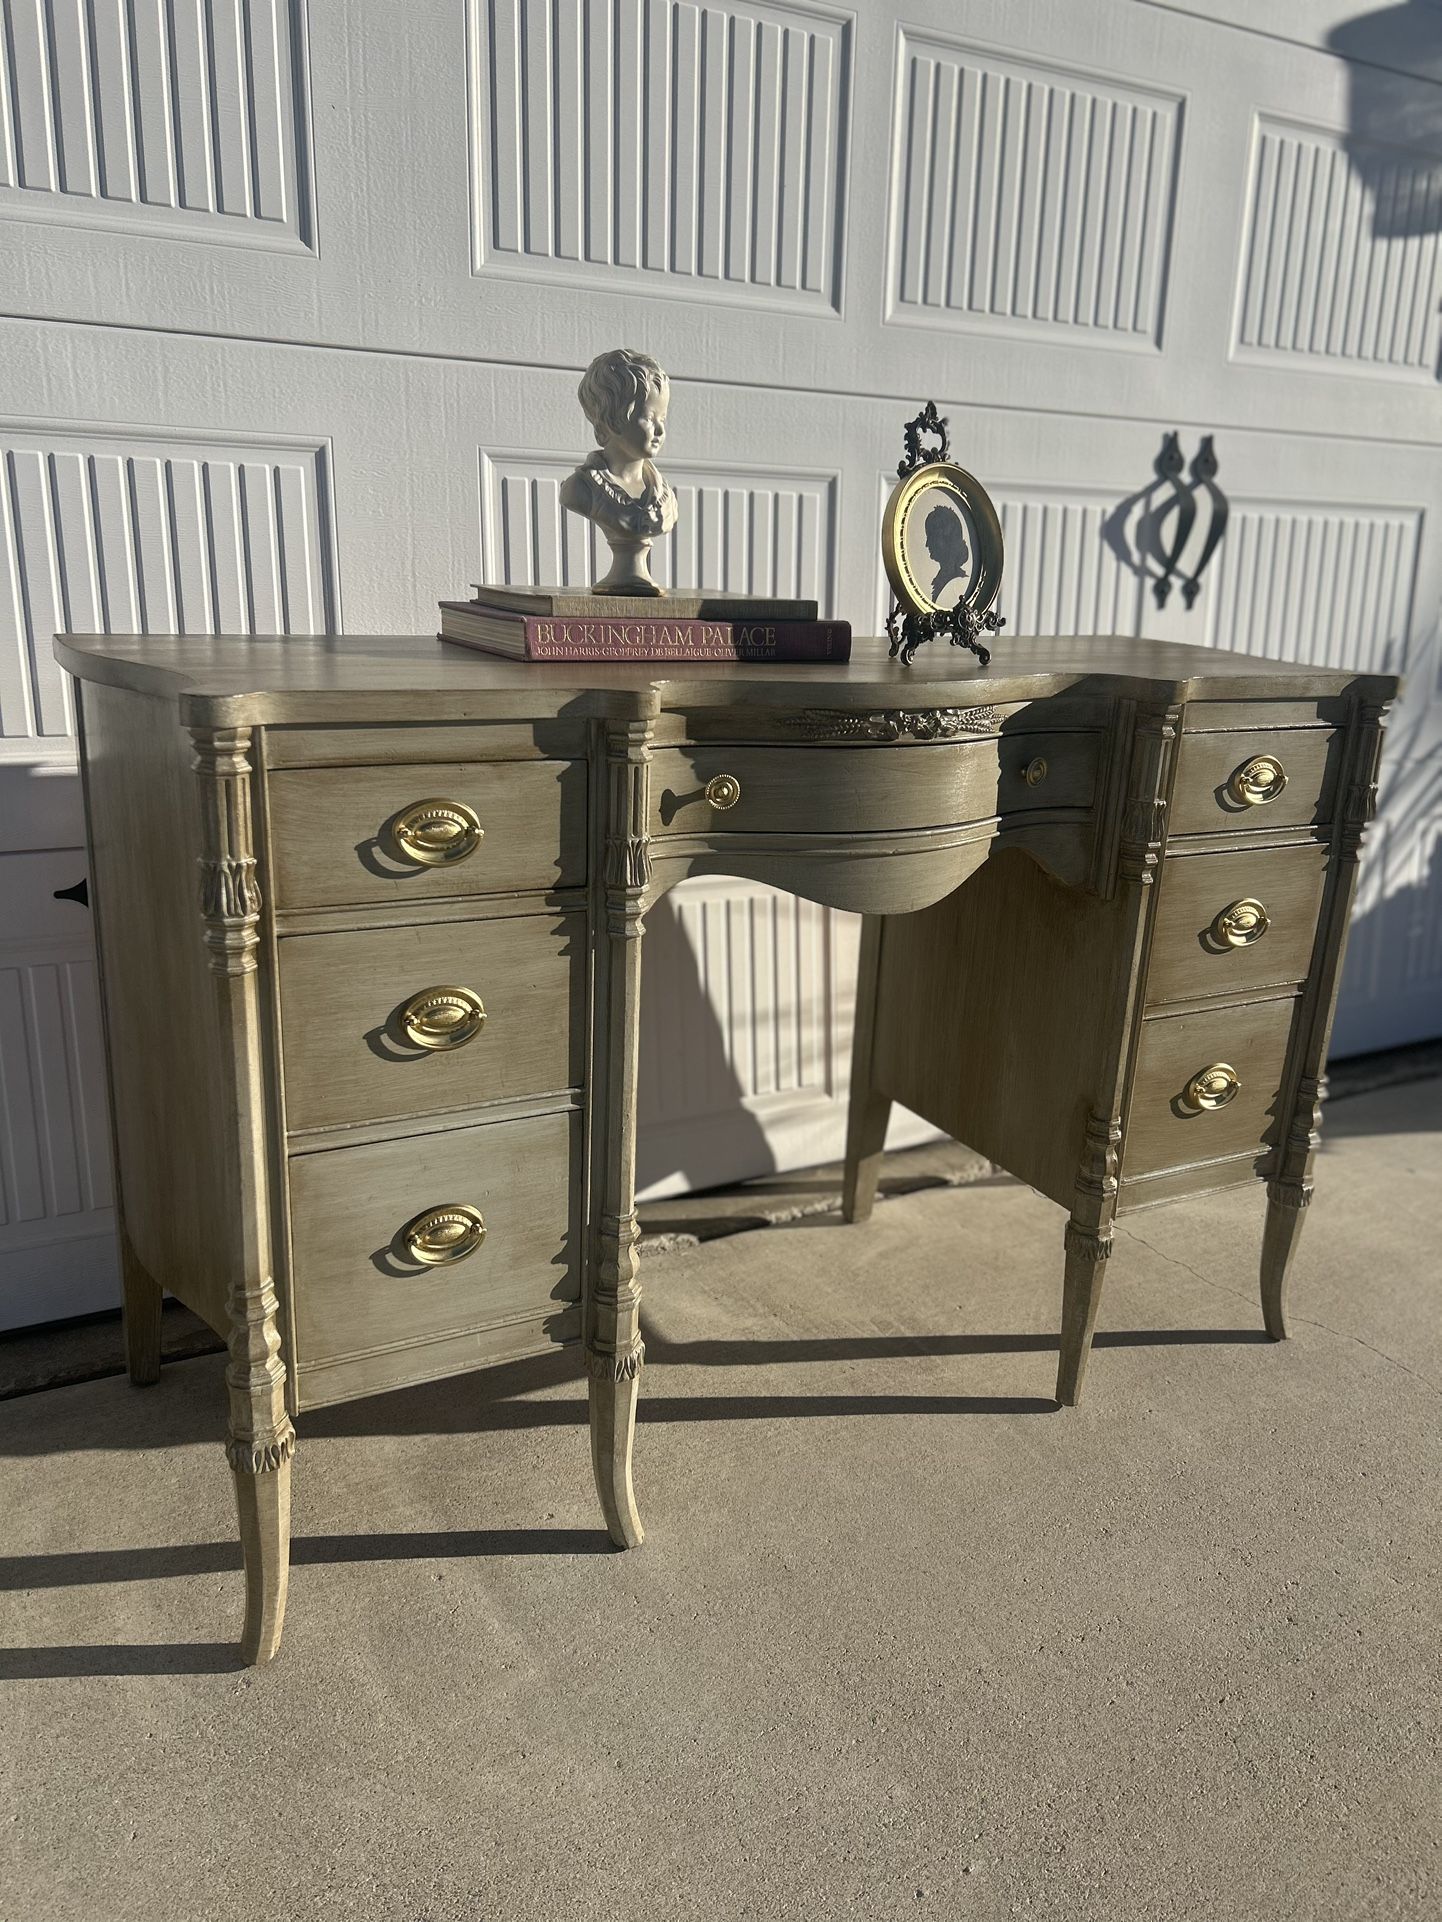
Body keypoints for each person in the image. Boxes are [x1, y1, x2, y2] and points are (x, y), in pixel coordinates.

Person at [560, 349, 678, 591]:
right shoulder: (580, 489)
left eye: (662, 419)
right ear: (612, 419)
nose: (659, 431)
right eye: (648, 418)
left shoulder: (665, 497)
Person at [924, 501, 970, 603]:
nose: (927, 544)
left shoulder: (958, 582)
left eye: (932, 537)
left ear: (947, 539)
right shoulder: (940, 579)